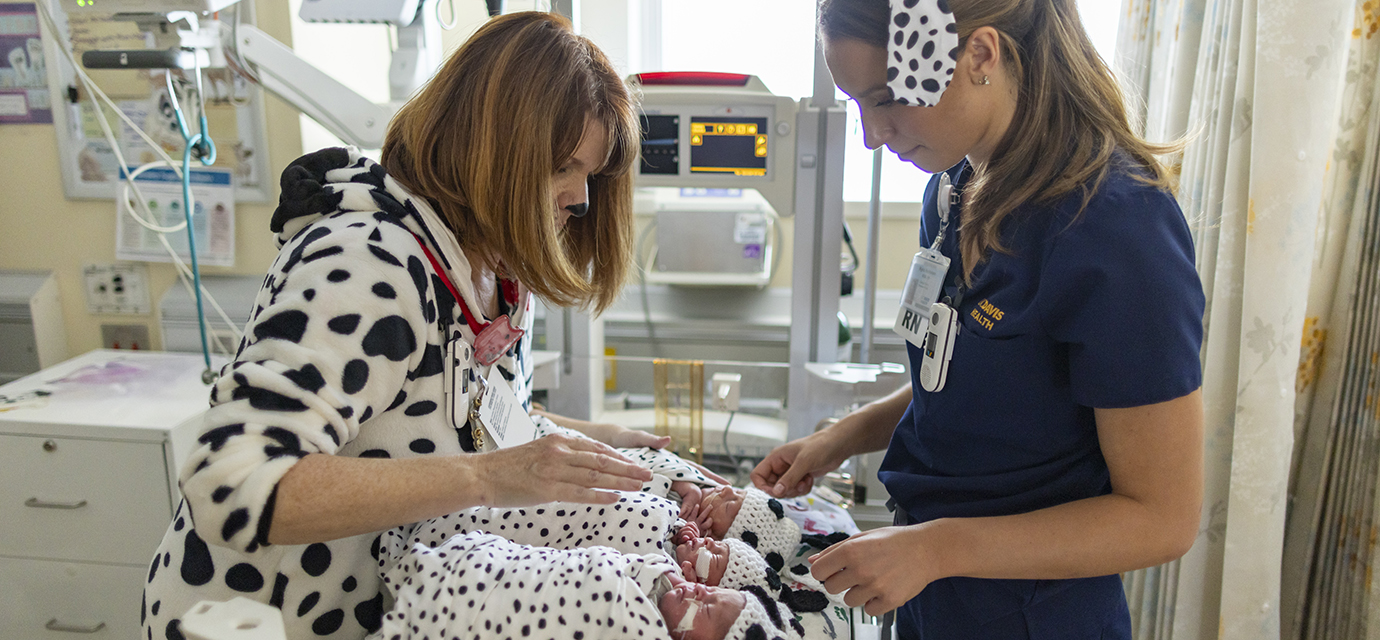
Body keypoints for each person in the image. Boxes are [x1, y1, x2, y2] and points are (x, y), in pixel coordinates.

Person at [143, 13, 662, 640]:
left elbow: (458, 421)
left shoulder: (490, 265)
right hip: (265, 617)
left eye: (591, 174)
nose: (580, 199)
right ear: (489, 149)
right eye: (562, 168)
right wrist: (488, 480)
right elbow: (233, 480)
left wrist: (594, 441)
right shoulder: (366, 262)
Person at [751, 0, 1206, 637]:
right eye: (858, 104)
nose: (872, 135)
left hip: (1030, 614)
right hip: (933, 598)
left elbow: (1162, 518)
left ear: (980, 55)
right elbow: (976, 371)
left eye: (885, 98)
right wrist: (844, 436)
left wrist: (936, 549)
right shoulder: (957, 188)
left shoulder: (1116, 229)